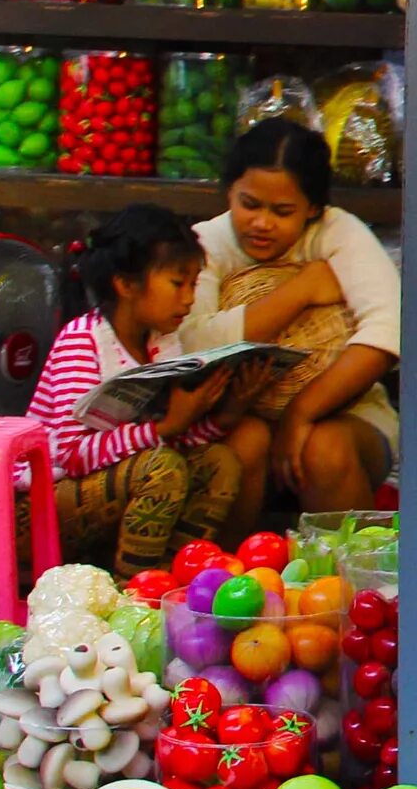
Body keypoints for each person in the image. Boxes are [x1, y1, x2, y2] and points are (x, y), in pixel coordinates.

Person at [27, 204, 267, 575]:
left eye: (193, 284)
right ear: (125, 285)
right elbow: (73, 454)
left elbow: (170, 440)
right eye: (177, 283)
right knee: (163, 469)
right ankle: (136, 592)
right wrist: (162, 429)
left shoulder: (163, 343)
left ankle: (174, 576)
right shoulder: (82, 342)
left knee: (220, 462)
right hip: (38, 504)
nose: (188, 299)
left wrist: (223, 415)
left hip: (119, 484)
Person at [179, 117, 401, 513]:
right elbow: (192, 344)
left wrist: (301, 412)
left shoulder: (339, 233)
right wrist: (301, 291)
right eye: (249, 204)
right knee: (240, 447)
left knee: (324, 448)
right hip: (235, 415)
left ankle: (351, 575)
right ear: (229, 191)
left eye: (282, 211)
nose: (262, 223)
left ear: (313, 208)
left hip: (347, 414)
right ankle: (229, 571)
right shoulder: (207, 243)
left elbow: (388, 333)